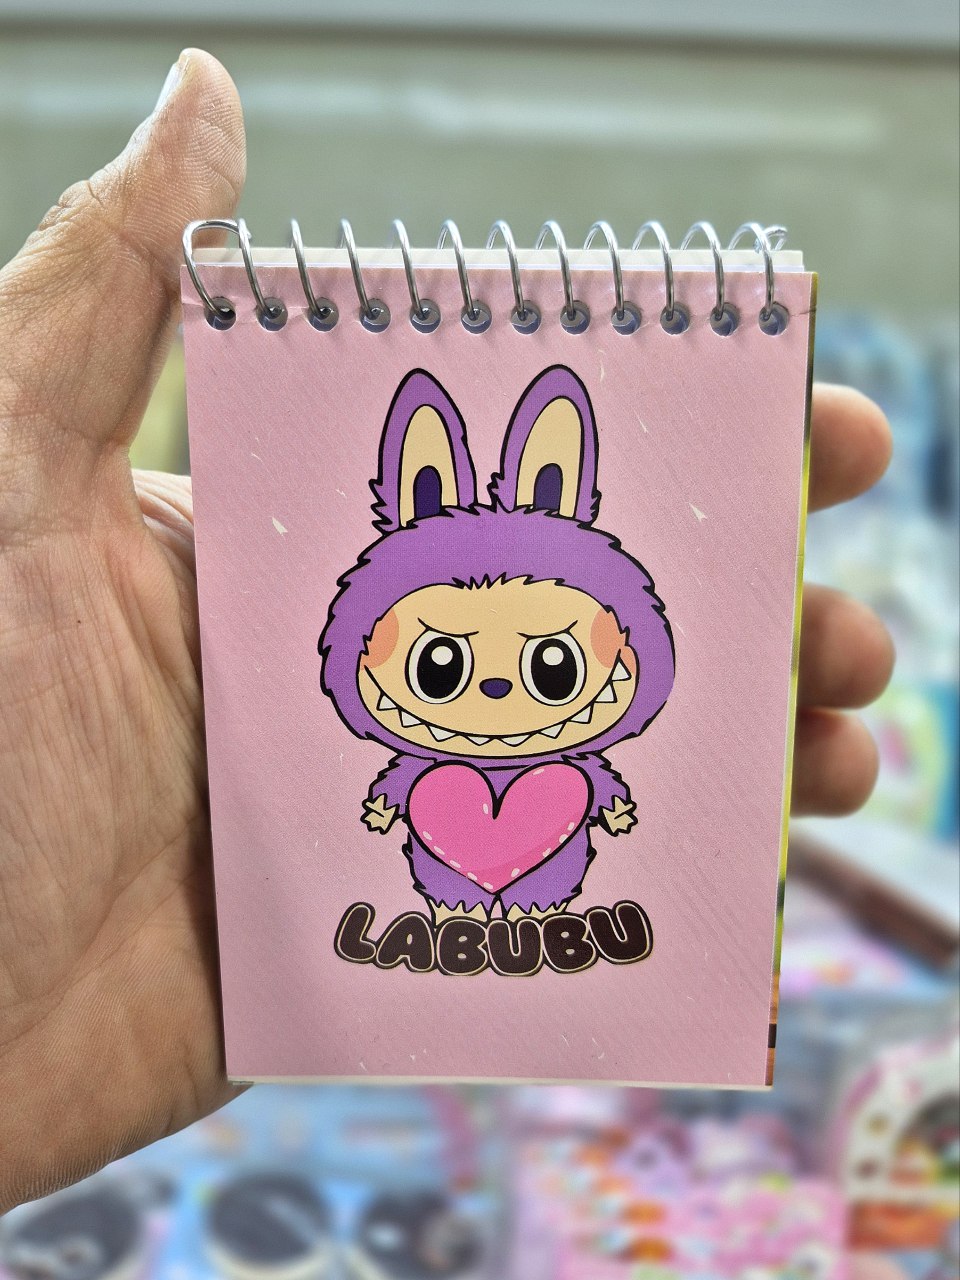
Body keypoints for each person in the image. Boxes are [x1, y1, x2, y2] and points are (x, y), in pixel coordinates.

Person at [0, 50, 895, 1212]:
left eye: (556, 664)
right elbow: (404, 777)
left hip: (544, 889)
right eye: (439, 662)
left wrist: (601, 792)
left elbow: (584, 777)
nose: (502, 696)